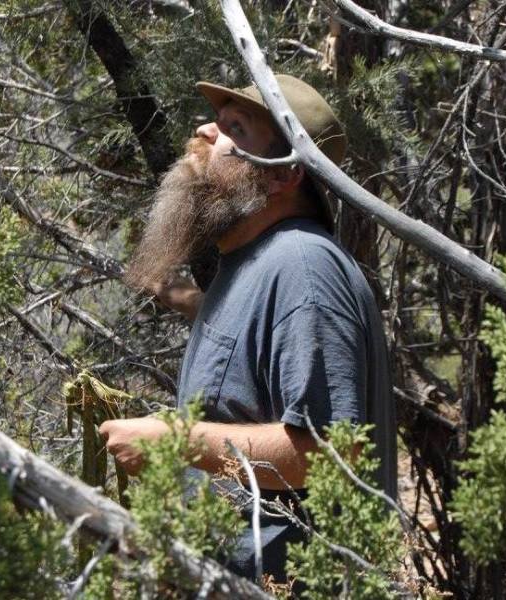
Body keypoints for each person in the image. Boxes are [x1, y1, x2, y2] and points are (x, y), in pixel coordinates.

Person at [99, 74, 396, 583]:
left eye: (235, 126)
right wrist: (173, 295)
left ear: (283, 177)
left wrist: (175, 440)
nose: (206, 132)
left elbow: (330, 450)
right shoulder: (256, 260)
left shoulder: (302, 268)